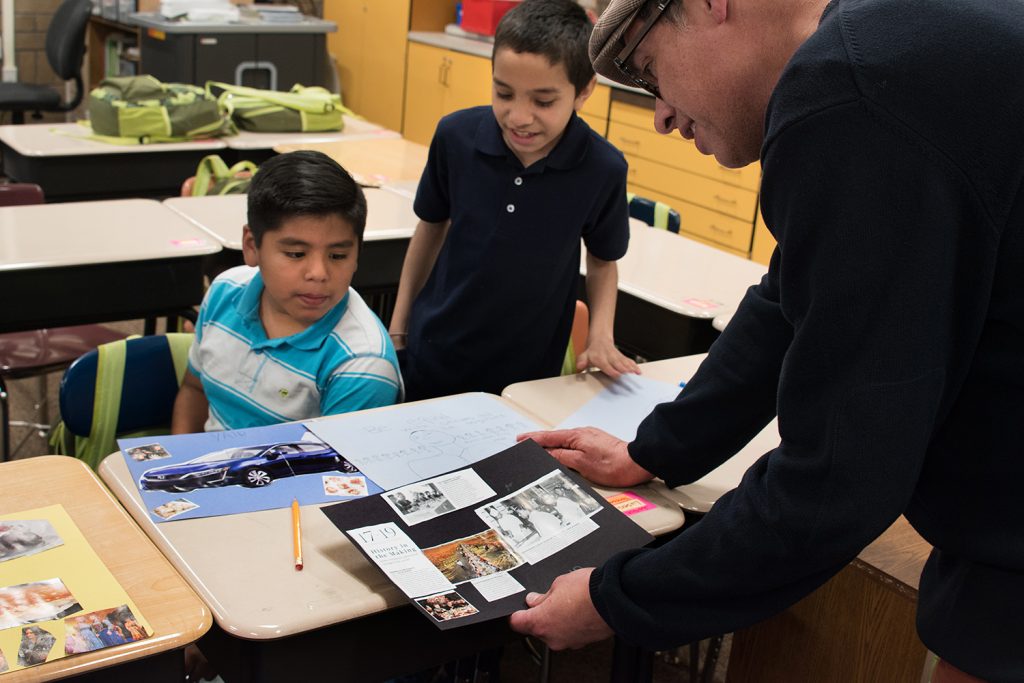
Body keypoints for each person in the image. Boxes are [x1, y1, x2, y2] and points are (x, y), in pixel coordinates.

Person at [509, 0, 1024, 681]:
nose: (659, 113)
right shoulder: (881, 37)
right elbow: (791, 299)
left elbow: (838, 475)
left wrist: (615, 599)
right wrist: (655, 448)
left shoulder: (847, 90)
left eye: (648, 70)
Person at [388, 0, 641, 401]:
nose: (519, 116)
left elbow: (602, 260)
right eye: (504, 93)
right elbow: (429, 230)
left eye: (543, 101)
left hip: (527, 376)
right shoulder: (455, 136)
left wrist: (601, 337)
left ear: (584, 90)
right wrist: (398, 330)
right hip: (435, 353)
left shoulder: (602, 167)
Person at [171, 150, 402, 433]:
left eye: (338, 255)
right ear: (252, 246)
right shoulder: (224, 291)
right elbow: (194, 390)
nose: (318, 273)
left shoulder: (363, 364)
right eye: (295, 253)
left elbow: (335, 472)